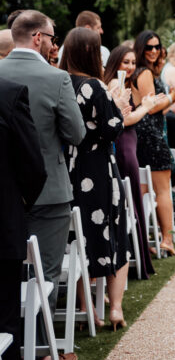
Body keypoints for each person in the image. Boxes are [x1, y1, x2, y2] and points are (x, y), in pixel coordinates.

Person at [0, 10, 84, 360]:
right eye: (52, 37)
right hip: (48, 191)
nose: (54, 44)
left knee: (7, 275)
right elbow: (76, 133)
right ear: (37, 38)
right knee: (44, 275)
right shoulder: (56, 79)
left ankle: (9, 356)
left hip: (4, 193)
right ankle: (42, 352)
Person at [60, 29, 131, 329]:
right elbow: (111, 128)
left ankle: (88, 308)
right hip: (98, 167)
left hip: (70, 168)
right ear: (91, 53)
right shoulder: (94, 86)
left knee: (80, 236)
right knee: (116, 228)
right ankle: (115, 308)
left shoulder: (60, 83)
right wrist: (120, 108)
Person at [0, 80, 47, 360]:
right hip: (1, 228)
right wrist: (17, 205)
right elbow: (33, 166)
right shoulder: (9, 93)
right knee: (3, 321)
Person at [103, 44, 161, 279]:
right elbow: (123, 120)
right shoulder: (115, 84)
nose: (129, 67)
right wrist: (146, 108)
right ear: (115, 62)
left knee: (135, 200)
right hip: (124, 147)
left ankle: (138, 255)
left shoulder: (122, 85)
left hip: (130, 146)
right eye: (125, 62)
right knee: (132, 201)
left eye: (132, 63)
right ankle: (135, 257)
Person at [131, 30, 175, 257]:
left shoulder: (142, 71)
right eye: (149, 47)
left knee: (144, 190)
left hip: (146, 132)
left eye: (157, 47)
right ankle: (167, 238)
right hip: (150, 137)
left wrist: (170, 101)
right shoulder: (143, 72)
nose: (154, 51)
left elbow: (158, 111)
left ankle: (143, 241)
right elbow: (152, 106)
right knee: (162, 188)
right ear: (141, 49)